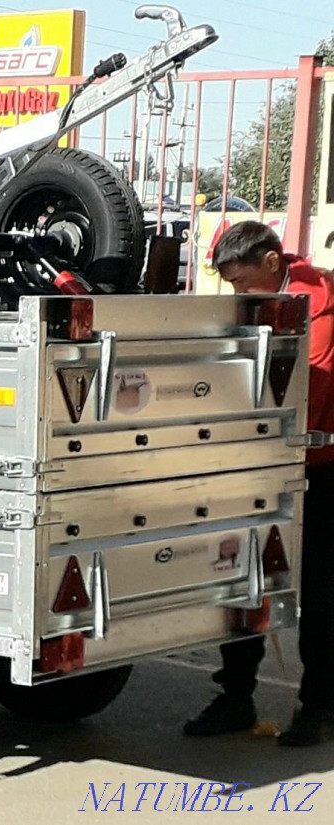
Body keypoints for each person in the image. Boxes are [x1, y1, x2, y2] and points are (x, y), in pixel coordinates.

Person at [183, 220, 334, 746]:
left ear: (272, 263)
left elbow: (300, 393)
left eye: (244, 283)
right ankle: (235, 697)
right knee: (240, 579)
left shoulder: (320, 308)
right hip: (261, 463)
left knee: (320, 597)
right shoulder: (261, 307)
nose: (238, 294)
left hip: (320, 469)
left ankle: (319, 706)